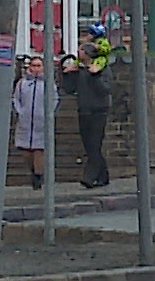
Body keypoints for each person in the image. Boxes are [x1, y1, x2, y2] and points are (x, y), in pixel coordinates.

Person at [61, 23, 113, 189]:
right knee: (89, 145)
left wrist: (95, 75)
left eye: (82, 50)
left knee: (94, 143)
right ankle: (103, 176)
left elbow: (105, 89)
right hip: (83, 109)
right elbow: (69, 89)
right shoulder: (80, 70)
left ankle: (89, 178)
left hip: (99, 110)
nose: (78, 52)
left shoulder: (102, 69)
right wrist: (66, 74)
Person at [11, 55, 50, 189]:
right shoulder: (22, 83)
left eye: (39, 66)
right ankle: (34, 171)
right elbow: (16, 99)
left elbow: (54, 99)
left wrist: (48, 114)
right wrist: (20, 112)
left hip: (41, 122)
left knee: (39, 150)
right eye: (34, 66)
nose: (36, 69)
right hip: (26, 122)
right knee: (26, 152)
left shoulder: (48, 83)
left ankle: (38, 176)